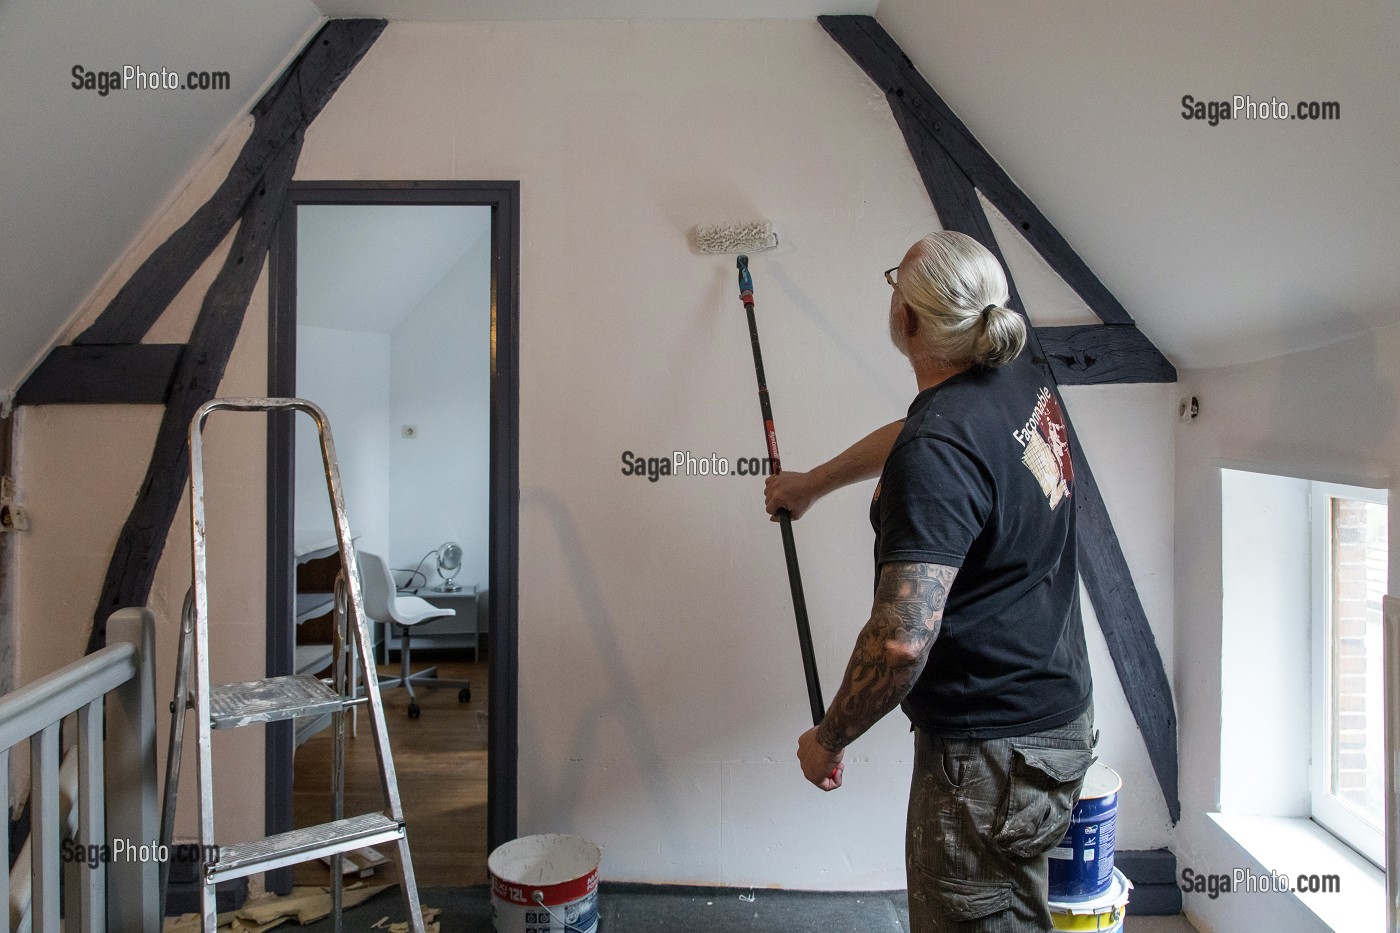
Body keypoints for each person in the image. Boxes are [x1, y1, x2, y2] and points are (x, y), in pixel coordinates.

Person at [771, 231, 1094, 932]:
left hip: (993, 758)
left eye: (895, 280)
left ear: (910, 319)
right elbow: (925, 429)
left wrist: (829, 737)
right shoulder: (1012, 374)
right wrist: (815, 484)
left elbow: (899, 643)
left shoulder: (937, 452)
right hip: (1051, 717)